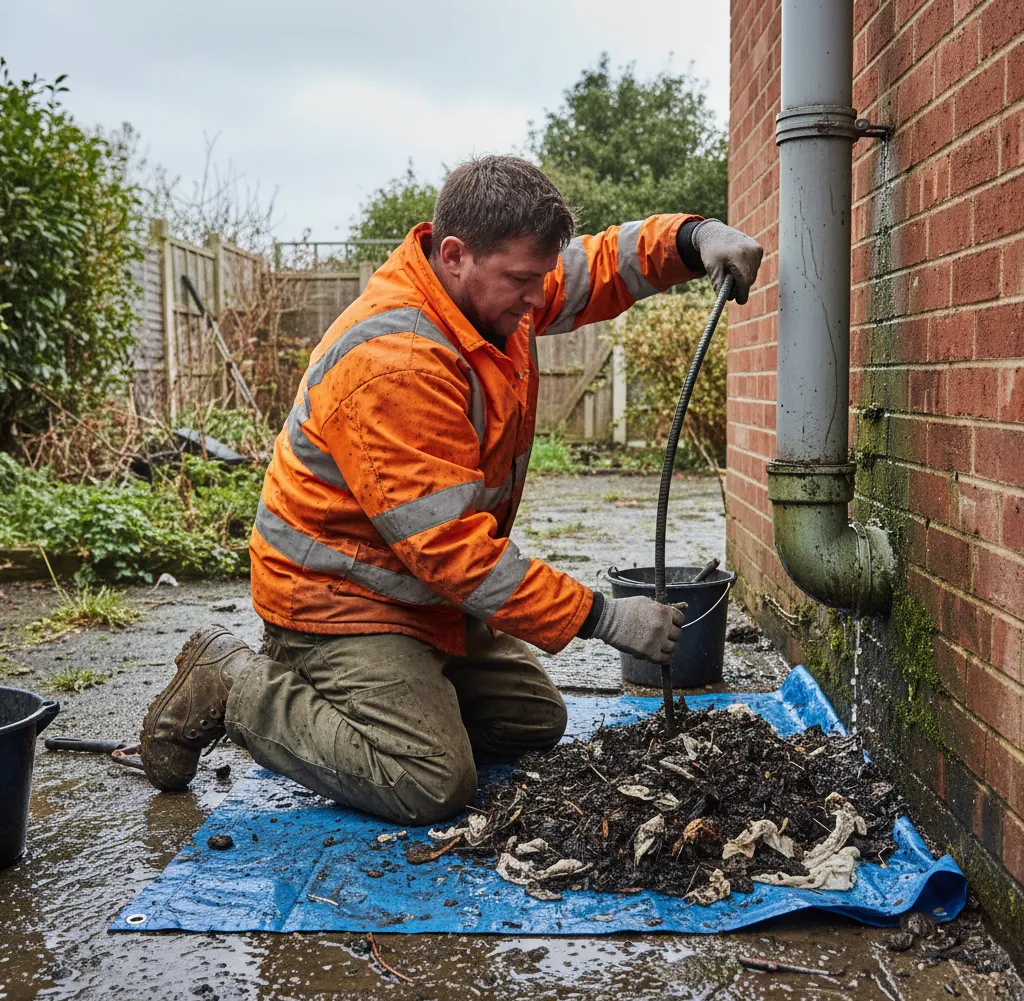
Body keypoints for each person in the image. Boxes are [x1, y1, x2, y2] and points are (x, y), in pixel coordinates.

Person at [139, 155, 762, 825]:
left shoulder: (488, 292)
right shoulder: (395, 363)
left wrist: (695, 240)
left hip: (419, 591)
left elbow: (600, 264)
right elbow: (455, 555)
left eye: (539, 279)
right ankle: (233, 680)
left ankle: (402, 702)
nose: (537, 300)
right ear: (456, 254)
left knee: (534, 722)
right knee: (431, 781)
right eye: (524, 281)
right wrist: (606, 618)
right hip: (338, 600)